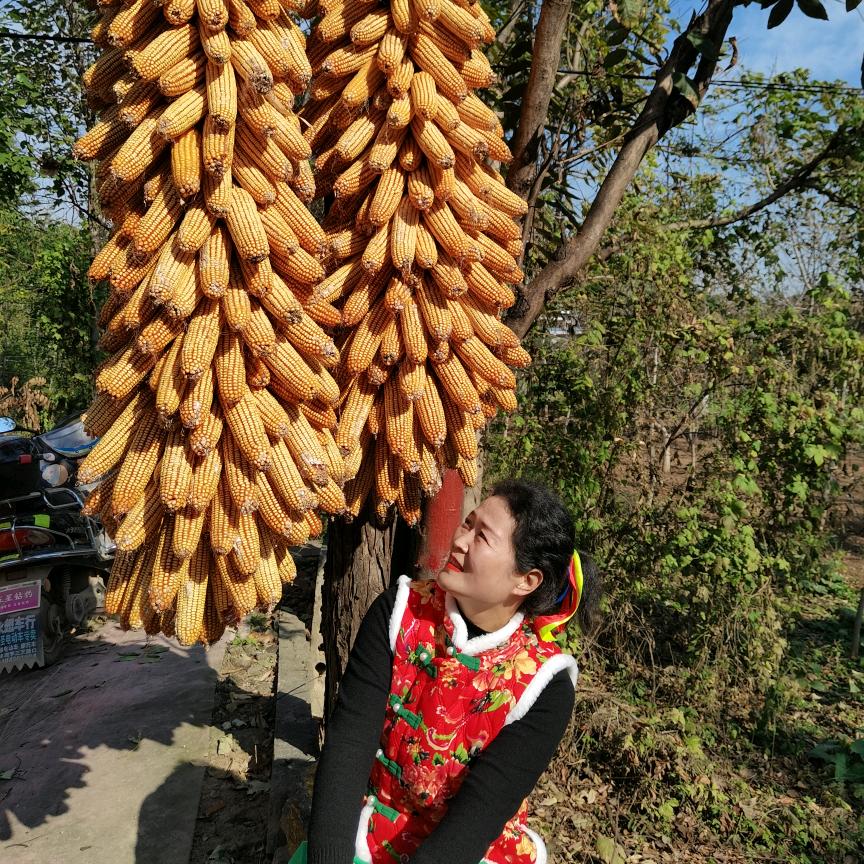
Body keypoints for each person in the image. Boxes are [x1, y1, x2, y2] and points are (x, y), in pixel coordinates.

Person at [306, 479, 601, 864]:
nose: (460, 542)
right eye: (468, 524)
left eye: (483, 537)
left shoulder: (543, 683)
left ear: (525, 581)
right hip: (373, 830)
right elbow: (349, 741)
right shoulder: (400, 612)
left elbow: (477, 819)